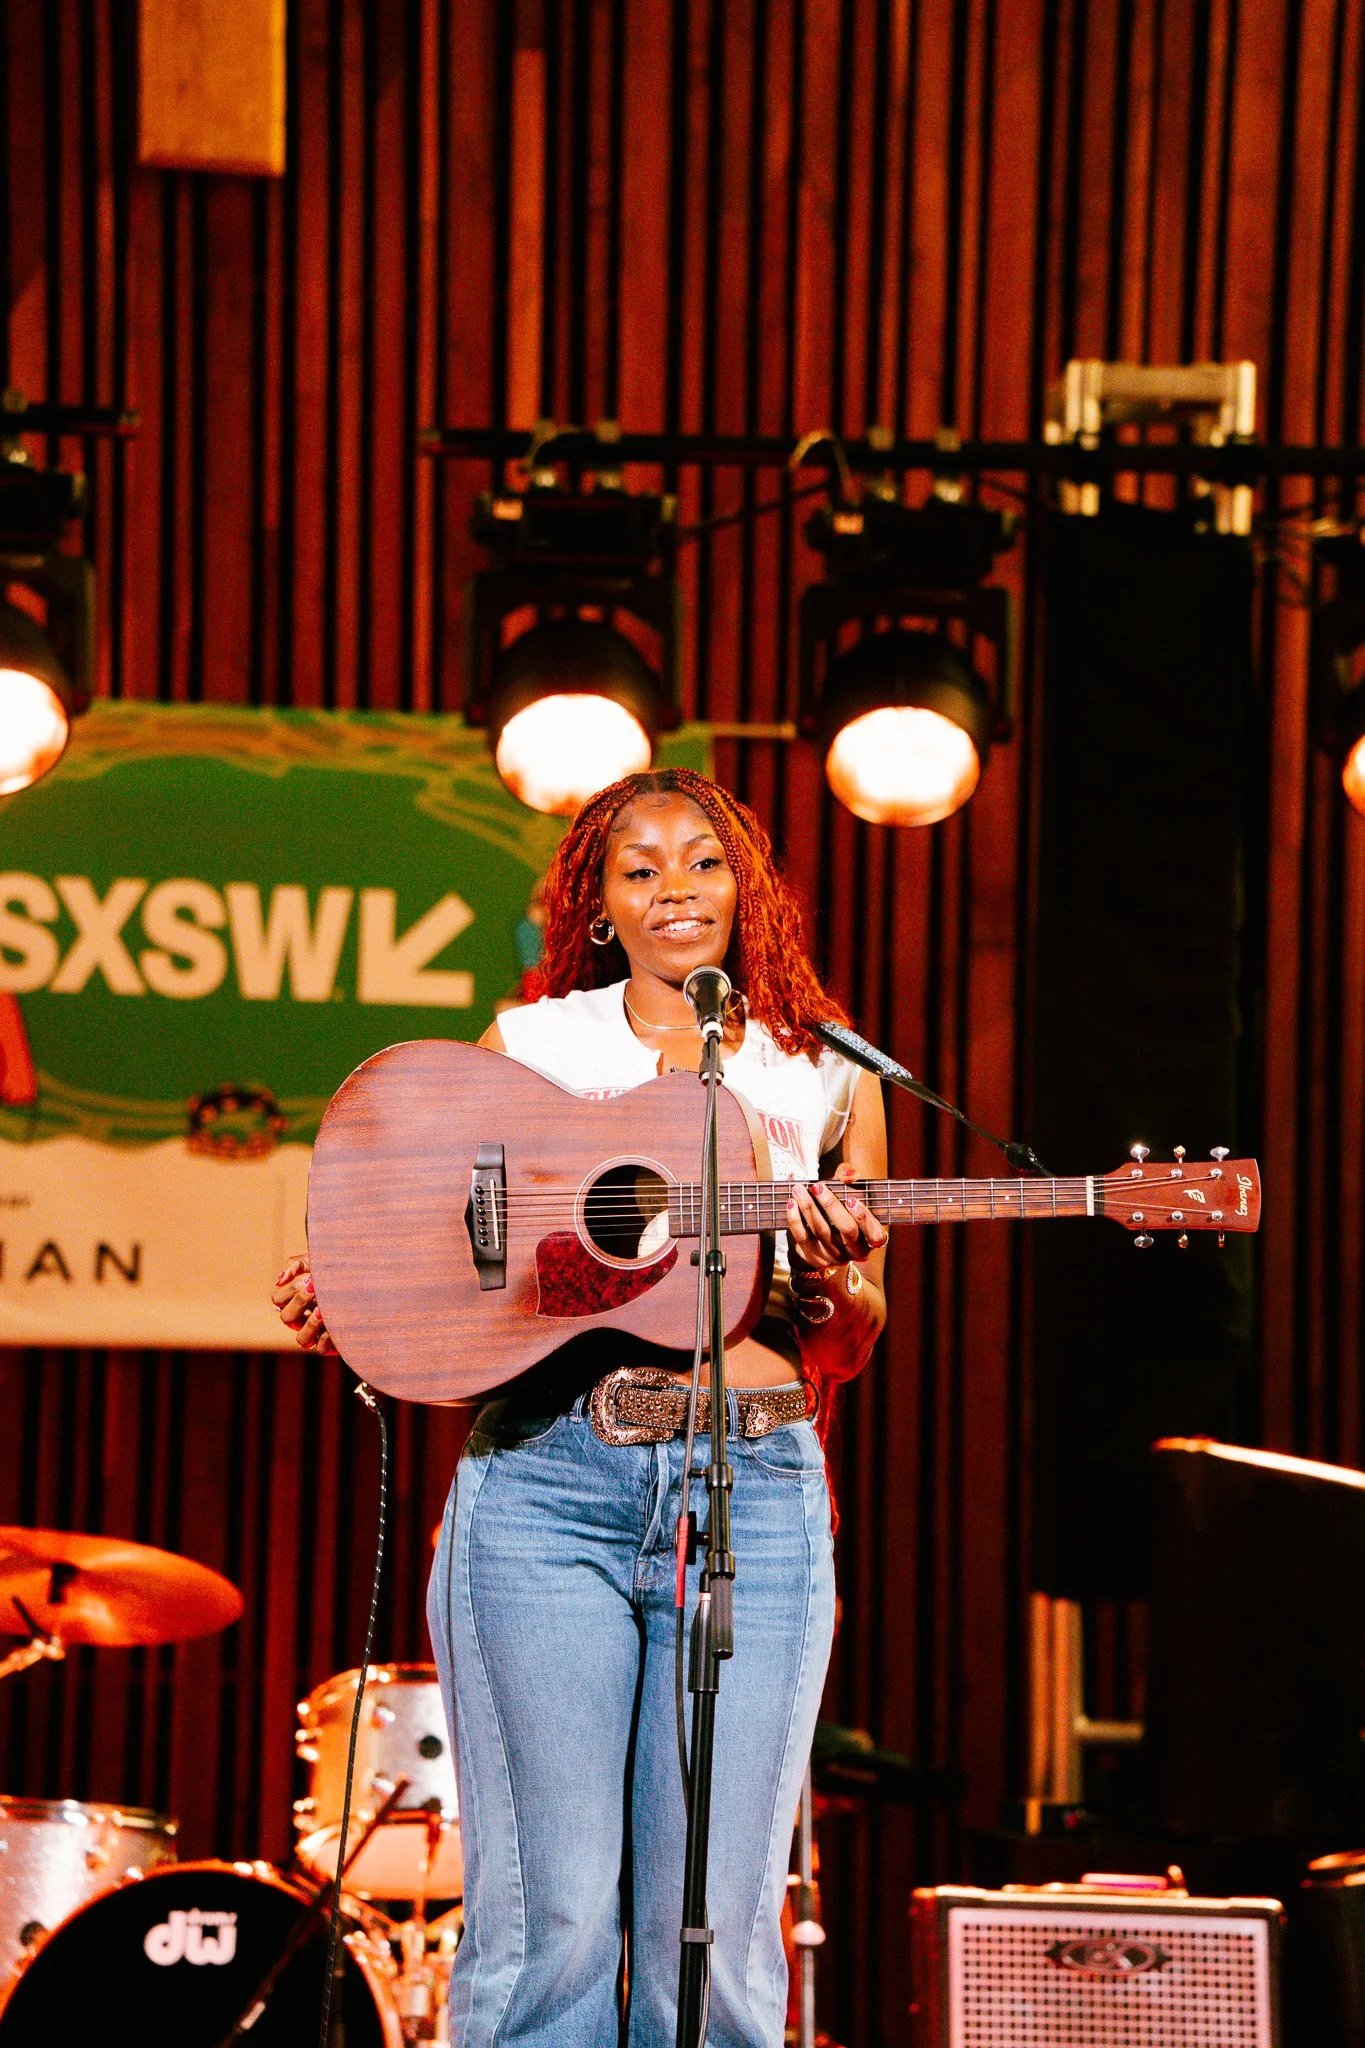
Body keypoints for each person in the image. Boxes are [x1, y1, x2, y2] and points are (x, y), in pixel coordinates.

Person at [274, 766, 887, 2048]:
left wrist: (831, 1275)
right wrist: (369, 1289)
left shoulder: (825, 1073)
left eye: (705, 859)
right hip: (549, 1482)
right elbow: (450, 1250)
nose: (678, 886)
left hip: (754, 1495)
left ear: (747, 885)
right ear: (599, 905)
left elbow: (848, 1340)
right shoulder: (534, 1045)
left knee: (714, 1930)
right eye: (642, 866)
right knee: (546, 1920)